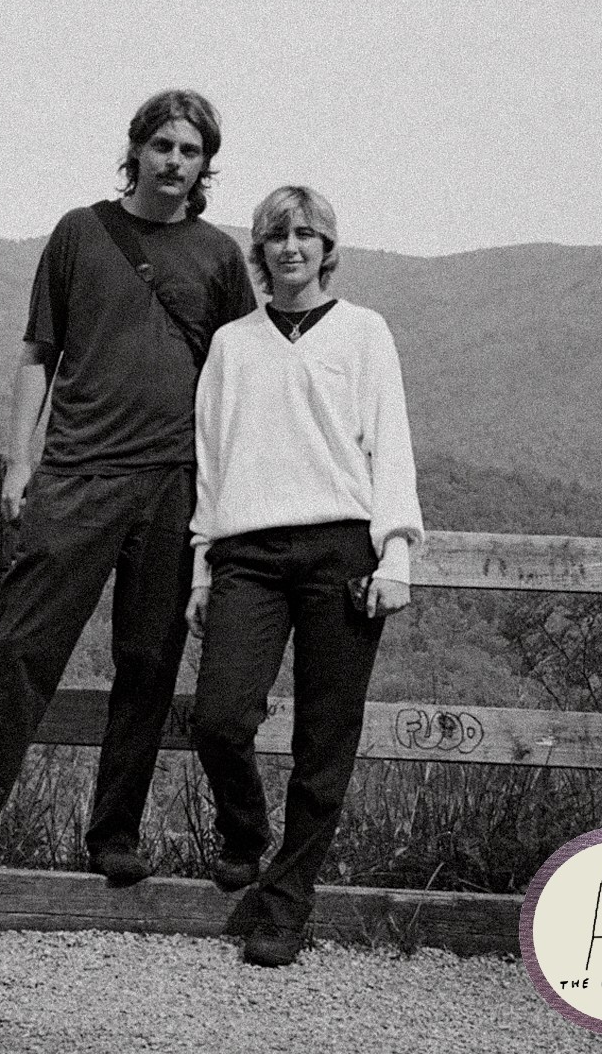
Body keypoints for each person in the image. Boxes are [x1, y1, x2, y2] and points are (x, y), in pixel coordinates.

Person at [0, 90, 257, 884]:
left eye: (191, 151)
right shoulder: (81, 233)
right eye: (163, 145)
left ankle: (113, 837)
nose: (175, 161)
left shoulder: (218, 257)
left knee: (148, 666)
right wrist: (22, 461)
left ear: (206, 166)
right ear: (136, 150)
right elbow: (38, 355)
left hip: (175, 483)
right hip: (76, 474)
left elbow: (242, 376)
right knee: (22, 646)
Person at [185, 185, 424, 966]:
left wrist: (396, 553)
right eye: (276, 235)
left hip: (340, 552)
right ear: (259, 249)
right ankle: (244, 831)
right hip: (247, 554)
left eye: (305, 234)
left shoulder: (364, 332)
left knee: (326, 740)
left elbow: (390, 445)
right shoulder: (233, 345)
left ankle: (286, 904)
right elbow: (211, 462)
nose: (290, 247)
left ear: (326, 247)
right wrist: (201, 570)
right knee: (219, 718)